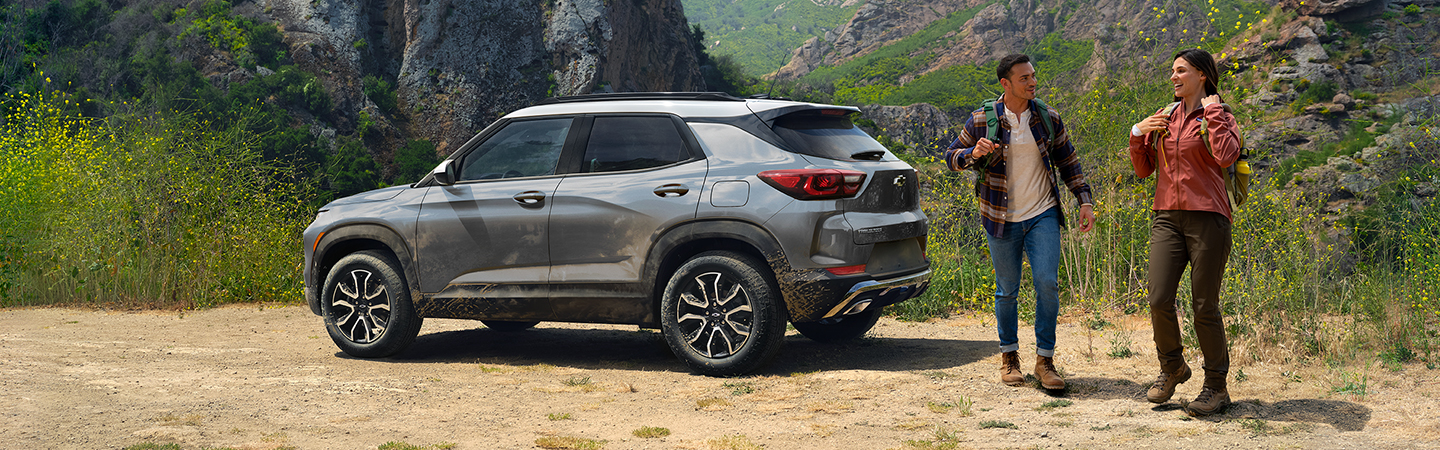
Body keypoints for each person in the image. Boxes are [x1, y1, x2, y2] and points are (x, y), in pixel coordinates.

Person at [945, 53, 1095, 390]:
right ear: (1005, 83)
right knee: (1007, 290)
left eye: (1033, 76)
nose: (1032, 82)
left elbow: (1069, 162)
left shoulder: (1046, 117)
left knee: (1047, 283)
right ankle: (1009, 357)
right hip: (1000, 217)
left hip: (1041, 213)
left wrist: (1084, 201)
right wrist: (973, 155)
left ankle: (1045, 361)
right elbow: (950, 157)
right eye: (1024, 78)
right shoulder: (982, 121)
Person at [1128, 48, 1240, 416]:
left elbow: (1226, 156)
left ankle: (1216, 387)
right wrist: (1137, 133)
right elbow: (1145, 170)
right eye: (1172, 71)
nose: (1174, 77)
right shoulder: (1166, 116)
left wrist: (1213, 112)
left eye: (1181, 71)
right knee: (1159, 297)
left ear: (1202, 75)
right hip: (1166, 217)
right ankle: (1172, 366)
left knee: (1204, 305)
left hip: (1208, 217)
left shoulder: (1219, 115)